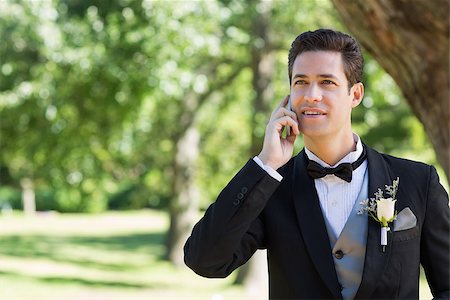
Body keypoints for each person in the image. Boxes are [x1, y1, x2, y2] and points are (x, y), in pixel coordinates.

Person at [183, 28, 450, 299]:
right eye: (301, 82)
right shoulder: (270, 187)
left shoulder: (418, 181)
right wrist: (266, 163)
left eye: (327, 82)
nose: (311, 95)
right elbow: (204, 261)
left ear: (355, 95)